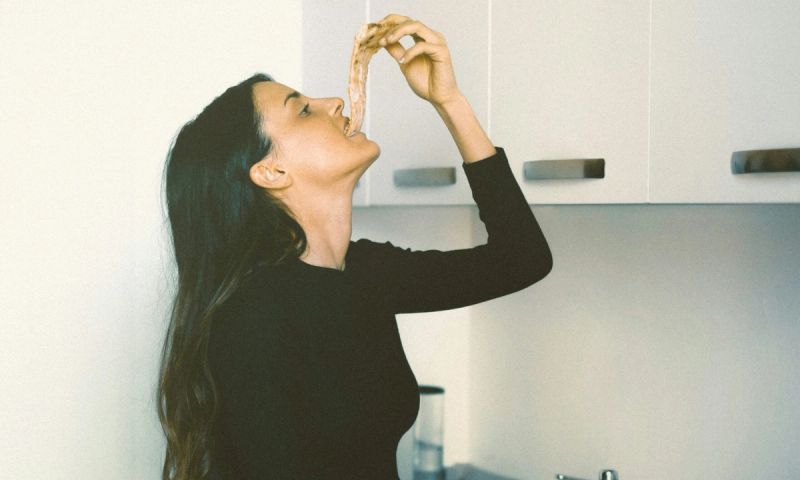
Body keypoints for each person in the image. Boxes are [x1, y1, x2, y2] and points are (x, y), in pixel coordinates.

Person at [156, 14, 552, 480]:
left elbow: (522, 259)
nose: (333, 102)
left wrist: (450, 102)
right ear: (271, 172)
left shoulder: (365, 272)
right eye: (302, 110)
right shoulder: (252, 316)